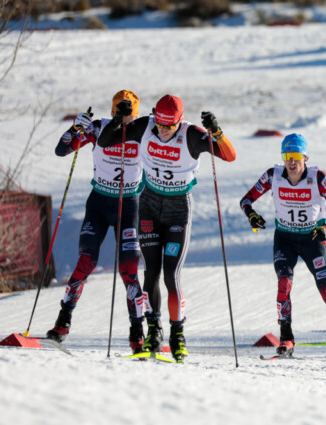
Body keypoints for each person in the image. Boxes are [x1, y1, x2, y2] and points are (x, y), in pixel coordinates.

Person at [98, 95, 237, 362]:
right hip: (149, 206)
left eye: (169, 126)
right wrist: (117, 121)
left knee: (171, 276)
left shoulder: (191, 135)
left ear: (179, 121)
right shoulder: (145, 127)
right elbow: (105, 142)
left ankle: (177, 335)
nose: (162, 130)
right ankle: (154, 330)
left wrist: (216, 132)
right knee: (150, 273)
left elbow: (229, 156)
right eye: (160, 124)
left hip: (177, 211)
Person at [46, 90, 145, 353]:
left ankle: (138, 332)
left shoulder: (144, 130)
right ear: (113, 111)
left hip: (130, 207)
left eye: (130, 114)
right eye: (120, 112)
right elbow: (62, 150)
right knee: (85, 261)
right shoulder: (99, 127)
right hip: (99, 204)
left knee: (128, 269)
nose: (125, 119)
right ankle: (62, 322)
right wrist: (76, 127)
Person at [239, 134, 326, 356]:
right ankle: (286, 339)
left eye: (296, 156)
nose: (291, 162)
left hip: (312, 241)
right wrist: (251, 215)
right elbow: (245, 200)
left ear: (305, 157)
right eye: (287, 156)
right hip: (285, 240)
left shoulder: (319, 178)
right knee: (284, 285)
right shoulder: (273, 175)